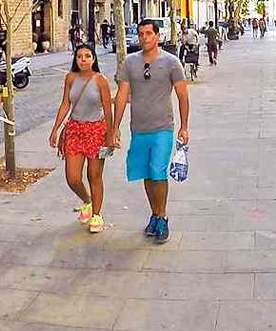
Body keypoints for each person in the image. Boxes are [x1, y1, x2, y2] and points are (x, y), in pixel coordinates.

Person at [110, 19, 190, 244]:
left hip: (163, 128)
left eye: (148, 33)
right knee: (146, 173)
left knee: (157, 171)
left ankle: (162, 217)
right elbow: (123, 96)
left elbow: (183, 96)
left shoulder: (171, 62)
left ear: (157, 36)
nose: (144, 37)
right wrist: (114, 128)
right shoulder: (129, 63)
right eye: (141, 34)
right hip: (138, 128)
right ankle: (154, 214)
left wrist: (184, 127)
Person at [49, 44, 114, 233]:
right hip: (74, 130)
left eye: (87, 56)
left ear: (93, 58)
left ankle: (97, 214)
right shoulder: (70, 78)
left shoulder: (100, 80)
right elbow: (65, 104)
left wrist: (110, 133)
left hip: (96, 130)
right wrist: (55, 129)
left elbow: (107, 108)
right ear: (75, 59)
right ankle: (87, 201)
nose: (83, 59)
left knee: (94, 175)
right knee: (72, 177)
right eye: (80, 56)